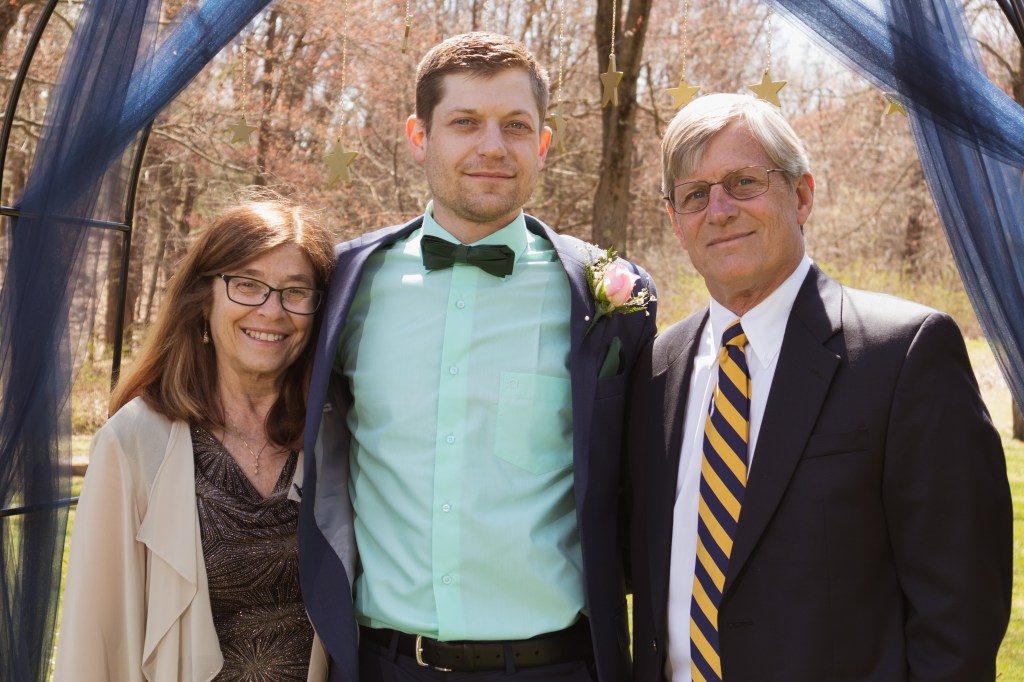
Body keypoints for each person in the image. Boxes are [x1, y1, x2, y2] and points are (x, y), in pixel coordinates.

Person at [297, 32, 656, 682]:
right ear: (419, 137)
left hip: (556, 668)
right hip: (383, 666)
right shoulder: (344, 284)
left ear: (542, 145)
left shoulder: (608, 296)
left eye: (515, 126)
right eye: (465, 122)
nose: (493, 146)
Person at [627, 93, 1012, 682]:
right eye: (695, 194)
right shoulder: (658, 366)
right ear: (677, 223)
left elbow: (960, 618)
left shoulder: (904, 354)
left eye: (743, 182)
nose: (720, 210)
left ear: (802, 195)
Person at [54, 198, 335, 682]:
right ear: (204, 299)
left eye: (296, 291)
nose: (272, 310)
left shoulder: (333, 436)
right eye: (247, 285)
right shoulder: (134, 441)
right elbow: (92, 636)